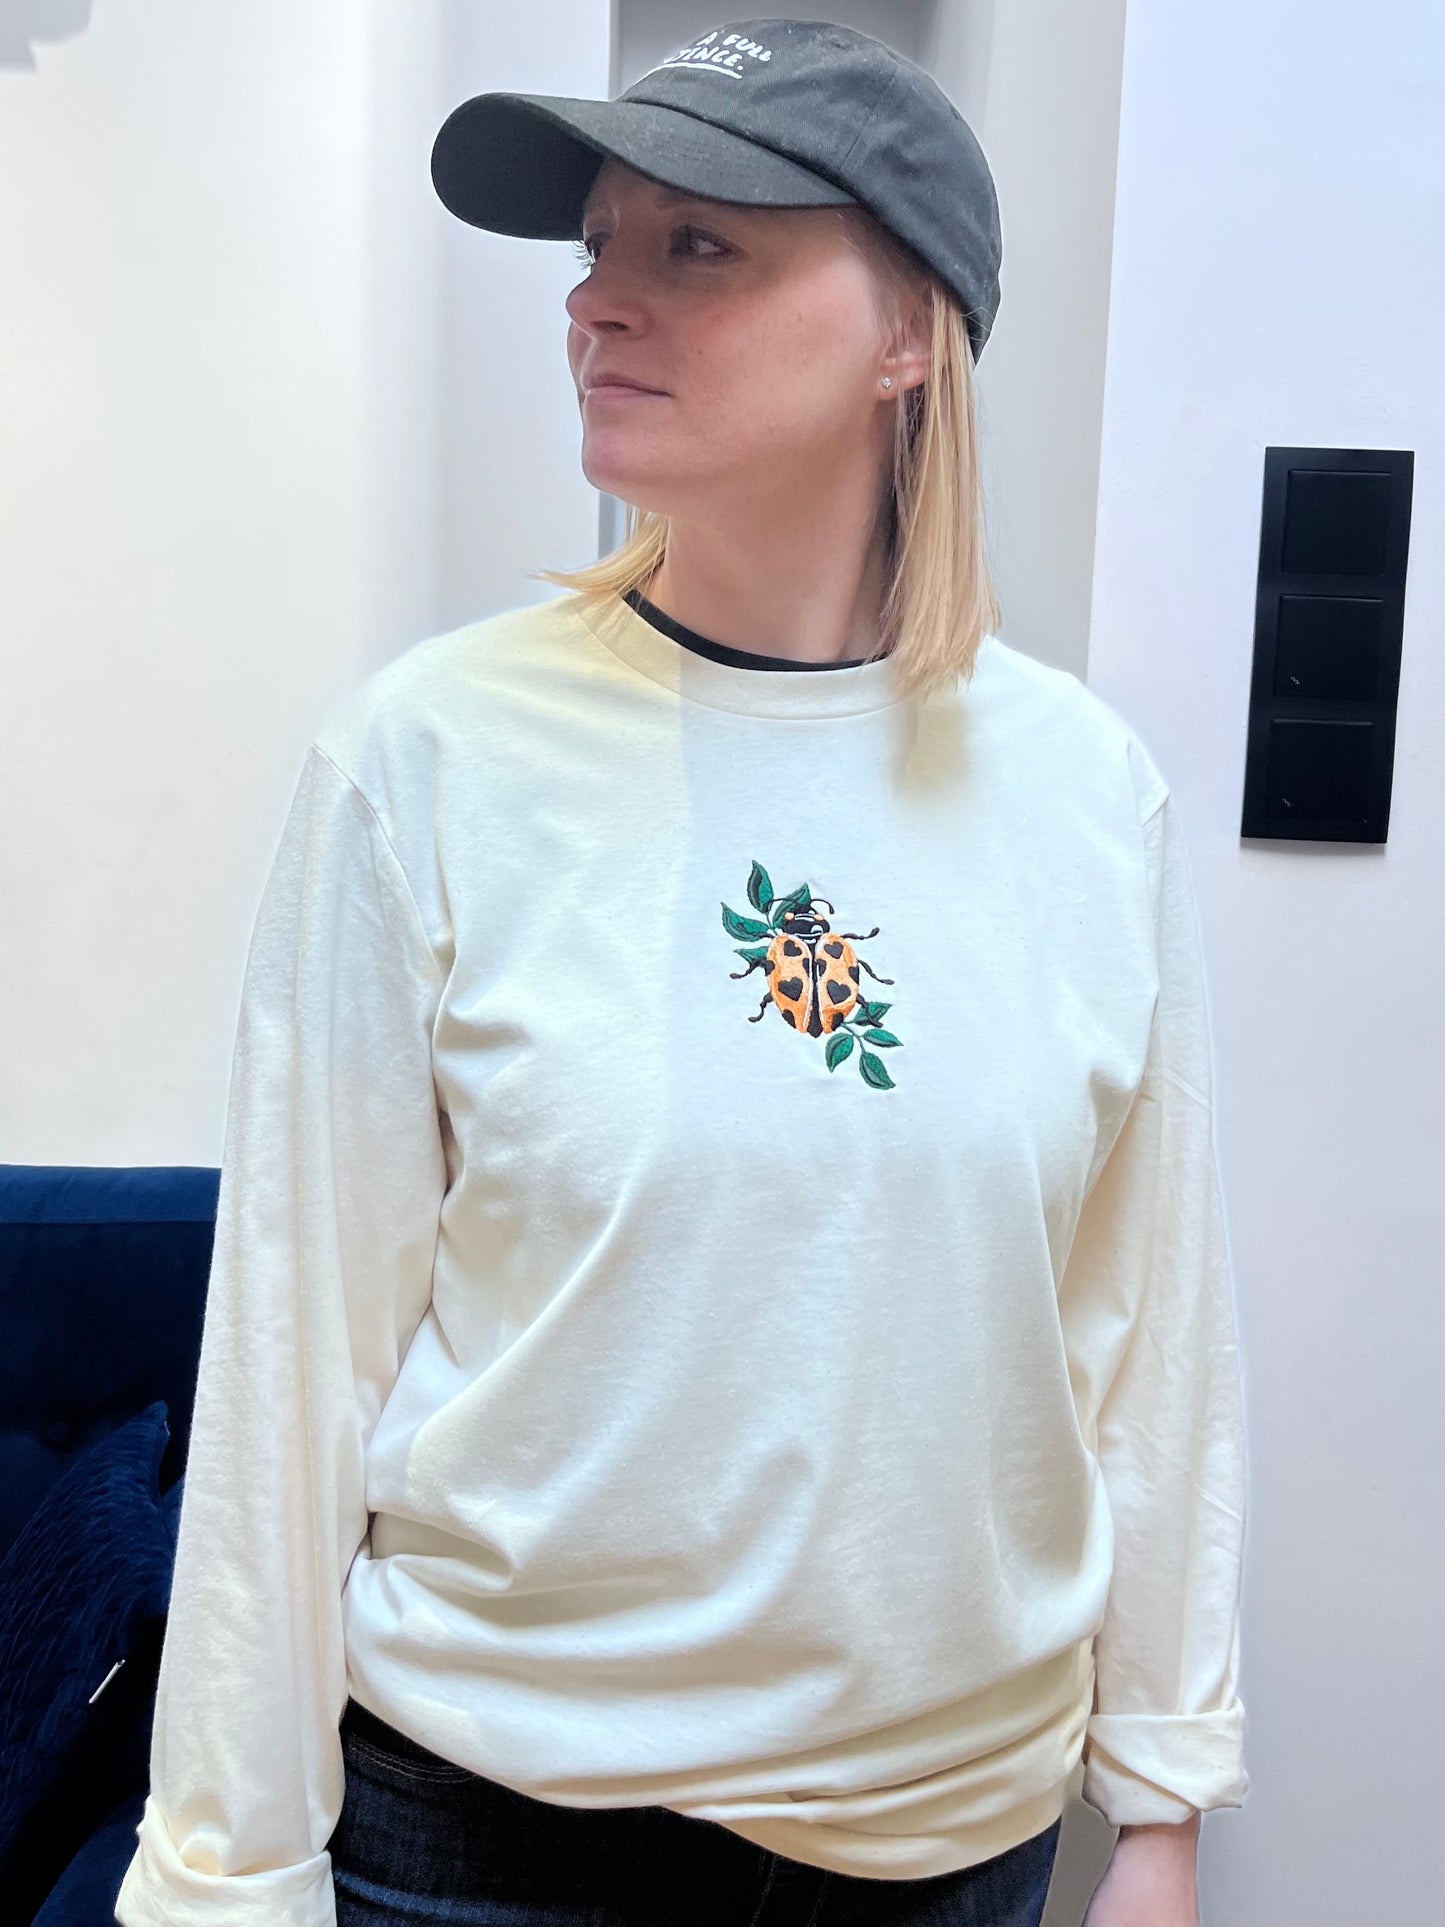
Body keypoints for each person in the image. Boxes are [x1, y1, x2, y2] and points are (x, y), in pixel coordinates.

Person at [115, 18, 1247, 1927]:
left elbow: (1149, 1332)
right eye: (595, 246)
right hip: (490, 1842)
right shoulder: (429, 760)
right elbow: (291, 1358)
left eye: (697, 245)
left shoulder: (1084, 796)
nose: (597, 303)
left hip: (947, 1840)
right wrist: (227, 1871)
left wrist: (1161, 1807)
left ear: (908, 336)